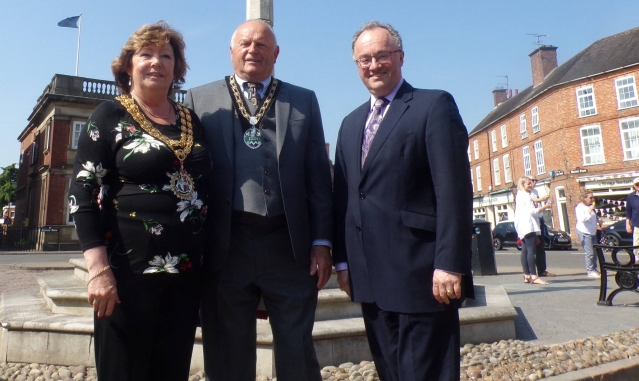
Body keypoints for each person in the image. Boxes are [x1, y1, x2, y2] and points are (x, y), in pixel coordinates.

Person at [184, 20, 333, 381]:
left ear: (276, 53)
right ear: (232, 52)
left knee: (297, 349)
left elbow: (318, 177)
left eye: (263, 45)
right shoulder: (199, 100)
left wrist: (322, 242)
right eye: (245, 43)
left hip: (287, 244)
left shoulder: (303, 100)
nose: (253, 50)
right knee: (227, 351)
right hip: (226, 244)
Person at [69, 22, 211, 380]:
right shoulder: (109, 115)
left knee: (171, 371)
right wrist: (97, 271)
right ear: (128, 65)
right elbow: (82, 192)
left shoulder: (191, 120)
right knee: (124, 370)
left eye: (166, 56)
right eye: (146, 54)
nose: (156, 63)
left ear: (177, 68)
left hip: (186, 274)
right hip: (127, 273)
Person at [333, 22, 474, 381]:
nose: (373, 65)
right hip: (370, 280)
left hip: (422, 276)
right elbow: (344, 198)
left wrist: (450, 263)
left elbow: (454, 191)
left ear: (400, 57)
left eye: (381, 55)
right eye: (364, 59)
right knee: (391, 374)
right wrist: (343, 261)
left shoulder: (433, 106)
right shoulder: (350, 124)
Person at [514, 177, 552, 285]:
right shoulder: (526, 196)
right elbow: (532, 211)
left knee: (525, 250)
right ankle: (534, 276)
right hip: (528, 225)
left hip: (521, 225)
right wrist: (546, 206)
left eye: (531, 183)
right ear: (523, 185)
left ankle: (527, 275)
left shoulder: (519, 194)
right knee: (531, 251)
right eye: (528, 184)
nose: (531, 185)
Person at [529, 178, 555, 278]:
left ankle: (542, 270)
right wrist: (543, 202)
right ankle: (529, 273)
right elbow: (531, 208)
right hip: (530, 223)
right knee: (530, 249)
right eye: (532, 180)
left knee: (541, 247)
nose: (534, 182)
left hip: (539, 220)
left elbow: (537, 207)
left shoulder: (535, 191)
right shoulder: (524, 193)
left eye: (536, 180)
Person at [574, 192, 601, 278]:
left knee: (595, 252)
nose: (592, 200)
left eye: (593, 198)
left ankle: (594, 268)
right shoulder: (580, 207)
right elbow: (581, 219)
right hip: (584, 231)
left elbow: (593, 217)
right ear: (584, 198)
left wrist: (598, 220)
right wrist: (589, 211)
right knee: (589, 252)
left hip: (592, 232)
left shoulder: (590, 207)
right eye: (590, 198)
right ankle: (590, 271)